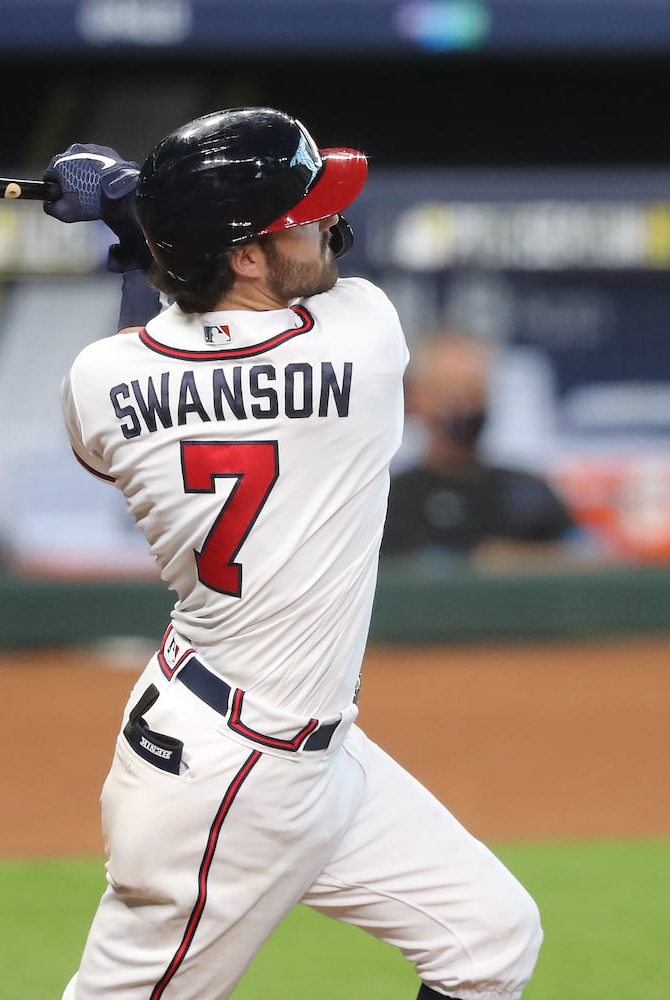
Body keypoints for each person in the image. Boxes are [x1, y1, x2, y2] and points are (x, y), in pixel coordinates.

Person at [40, 108, 543, 1000]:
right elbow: (241, 324)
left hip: (290, 742)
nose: (326, 227)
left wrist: (137, 228)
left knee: (487, 938)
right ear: (242, 257)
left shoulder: (97, 380)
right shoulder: (363, 337)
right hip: (228, 777)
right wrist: (134, 212)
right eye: (299, 221)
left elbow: (137, 376)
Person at [380, 328, 588, 570]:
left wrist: (516, 560)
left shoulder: (527, 492)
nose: (463, 408)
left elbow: (590, 559)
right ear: (418, 399)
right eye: (448, 392)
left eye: (473, 393)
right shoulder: (389, 499)